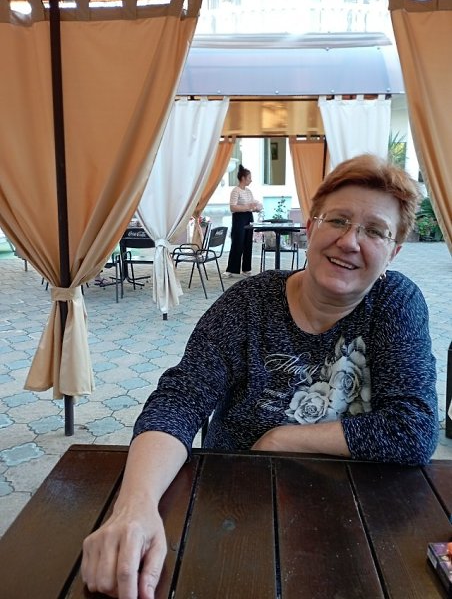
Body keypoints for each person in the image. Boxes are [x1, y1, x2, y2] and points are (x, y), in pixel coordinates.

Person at [81, 154, 438, 599]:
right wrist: (134, 506)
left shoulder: (394, 302)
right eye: (338, 220)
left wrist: (282, 439)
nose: (350, 241)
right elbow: (180, 400)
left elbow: (414, 429)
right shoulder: (249, 303)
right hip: (235, 511)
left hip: (358, 519)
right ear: (311, 227)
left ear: (394, 252)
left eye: (375, 231)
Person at [222, 164, 262, 278]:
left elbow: (253, 204)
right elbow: (232, 207)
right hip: (239, 218)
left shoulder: (249, 191)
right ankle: (231, 269)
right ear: (243, 178)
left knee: (248, 243)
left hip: (249, 217)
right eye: (249, 178)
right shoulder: (236, 191)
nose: (251, 180)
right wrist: (247, 206)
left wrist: (257, 207)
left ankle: (246, 269)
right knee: (237, 242)